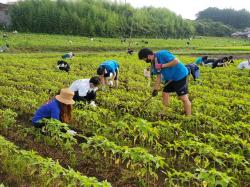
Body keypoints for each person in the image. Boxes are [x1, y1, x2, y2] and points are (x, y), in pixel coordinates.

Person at [138, 48, 191, 115]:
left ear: (148, 56)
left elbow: (176, 61)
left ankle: (188, 116)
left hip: (180, 76)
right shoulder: (153, 64)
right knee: (165, 93)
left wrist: (162, 65)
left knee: (183, 98)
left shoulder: (162, 54)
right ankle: (165, 111)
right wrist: (155, 90)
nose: (144, 60)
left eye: (144, 59)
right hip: (169, 79)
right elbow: (158, 77)